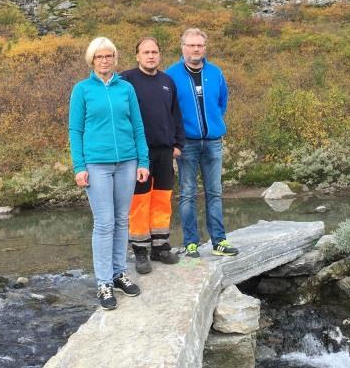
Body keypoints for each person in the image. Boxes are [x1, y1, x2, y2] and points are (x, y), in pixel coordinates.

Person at [69, 37, 150, 310]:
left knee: (121, 219)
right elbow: (75, 130)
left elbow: (138, 126)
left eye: (109, 56)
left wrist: (143, 161)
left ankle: (119, 274)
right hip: (97, 165)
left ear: (115, 59)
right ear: (92, 60)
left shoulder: (126, 89)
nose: (105, 61)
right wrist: (79, 166)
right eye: (100, 57)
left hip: (127, 162)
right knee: (104, 223)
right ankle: (103, 282)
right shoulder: (82, 90)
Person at [166, 28, 239, 258]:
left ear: (204, 48)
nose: (196, 49)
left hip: (213, 142)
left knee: (214, 192)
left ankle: (219, 241)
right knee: (188, 193)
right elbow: (167, 109)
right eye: (191, 45)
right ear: (183, 47)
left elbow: (222, 102)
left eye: (200, 45)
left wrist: (214, 122)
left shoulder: (215, 73)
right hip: (186, 143)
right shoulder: (172, 75)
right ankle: (191, 243)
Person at [121, 38, 185, 274]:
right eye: (146, 52)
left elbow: (175, 114)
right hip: (139, 153)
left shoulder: (167, 81)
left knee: (162, 199)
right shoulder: (126, 80)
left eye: (154, 52)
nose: (150, 56)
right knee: (139, 202)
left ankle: (161, 246)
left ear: (160, 55)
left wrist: (178, 143)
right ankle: (140, 251)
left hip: (164, 151)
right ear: (137, 56)